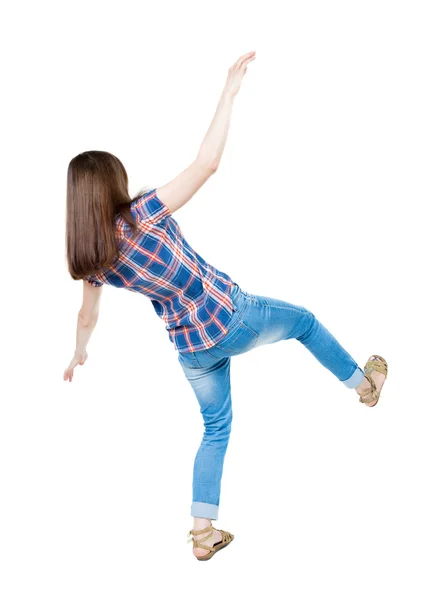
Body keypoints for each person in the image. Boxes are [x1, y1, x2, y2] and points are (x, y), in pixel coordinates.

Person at [63, 50, 388, 561]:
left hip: (190, 350)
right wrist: (229, 93)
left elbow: (87, 316)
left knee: (216, 428)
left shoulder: (94, 259)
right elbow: (207, 163)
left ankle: (202, 533)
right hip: (230, 317)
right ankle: (364, 386)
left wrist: (80, 352)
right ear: (111, 186)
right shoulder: (143, 213)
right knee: (302, 322)